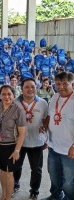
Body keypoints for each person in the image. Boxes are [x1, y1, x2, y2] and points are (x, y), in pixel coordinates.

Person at [13, 78, 48, 200]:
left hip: (36, 142)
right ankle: (15, 184)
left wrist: (46, 138)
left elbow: (46, 121)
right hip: (18, 143)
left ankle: (34, 191)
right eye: (27, 87)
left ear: (36, 88)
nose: (30, 89)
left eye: (32, 86)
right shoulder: (14, 102)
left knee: (36, 169)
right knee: (16, 166)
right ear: (21, 89)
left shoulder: (43, 103)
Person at [42, 72, 74, 200]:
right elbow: (51, 115)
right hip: (53, 146)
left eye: (65, 84)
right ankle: (55, 196)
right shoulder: (55, 97)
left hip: (69, 150)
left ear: (72, 83)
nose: (61, 87)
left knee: (69, 182)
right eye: (58, 84)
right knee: (54, 176)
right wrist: (44, 126)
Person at [0, 85, 26, 200]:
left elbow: (22, 133)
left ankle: (8, 198)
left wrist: (17, 150)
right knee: (2, 170)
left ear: (13, 95)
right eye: (3, 94)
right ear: (0, 95)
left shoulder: (18, 110)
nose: (6, 96)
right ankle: (3, 195)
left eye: (9, 94)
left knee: (9, 172)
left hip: (11, 146)